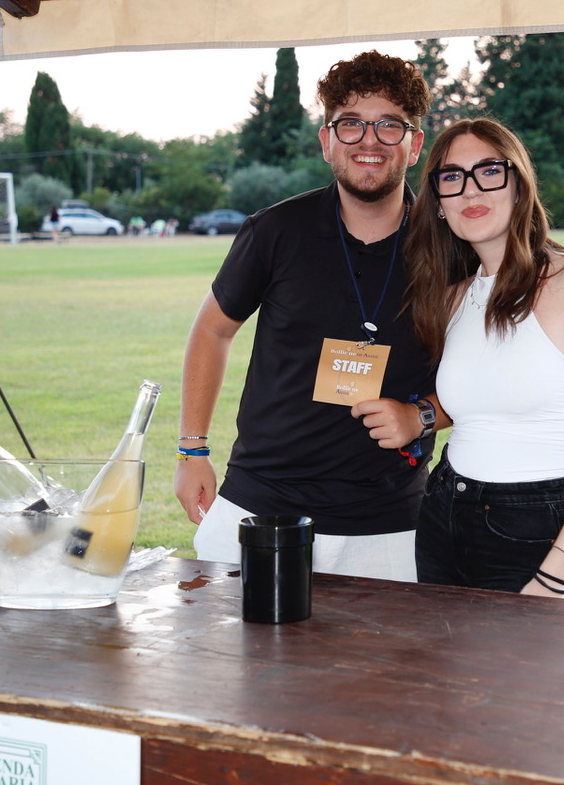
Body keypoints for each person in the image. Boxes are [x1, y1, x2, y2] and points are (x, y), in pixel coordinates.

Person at [174, 50, 436, 581]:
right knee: (226, 663)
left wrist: (427, 415)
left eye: (390, 125)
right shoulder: (275, 231)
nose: (369, 140)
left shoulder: (449, 245)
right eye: (351, 124)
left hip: (391, 522)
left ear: (414, 146)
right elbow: (212, 329)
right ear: (326, 141)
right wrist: (191, 449)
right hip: (259, 505)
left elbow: (491, 365)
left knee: (390, 668)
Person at [358, 118, 564, 599]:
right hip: (443, 514)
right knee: (444, 676)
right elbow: (476, 400)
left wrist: (554, 574)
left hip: (534, 533)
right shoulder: (452, 298)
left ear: (518, 183)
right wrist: (419, 416)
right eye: (452, 178)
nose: (471, 191)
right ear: (439, 204)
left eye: (488, 171)